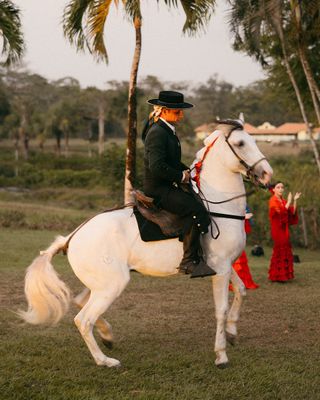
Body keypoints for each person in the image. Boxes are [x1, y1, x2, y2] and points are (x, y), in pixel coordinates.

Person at [142, 90, 215, 278]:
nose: (181, 114)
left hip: (167, 185)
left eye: (181, 111)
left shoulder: (168, 130)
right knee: (195, 209)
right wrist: (180, 177)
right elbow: (157, 166)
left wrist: (188, 171)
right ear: (164, 110)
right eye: (177, 111)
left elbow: (171, 162)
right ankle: (189, 261)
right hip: (158, 189)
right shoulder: (158, 132)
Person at [268, 181, 301, 282]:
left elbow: (292, 212)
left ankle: (283, 275)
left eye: (282, 187)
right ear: (273, 189)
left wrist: (294, 201)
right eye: (278, 187)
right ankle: (277, 276)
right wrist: (288, 202)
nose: (281, 189)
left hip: (284, 229)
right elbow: (281, 212)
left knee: (285, 250)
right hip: (277, 229)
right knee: (280, 250)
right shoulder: (273, 200)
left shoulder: (282, 200)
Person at [230, 208, 259, 291]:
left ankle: (242, 281)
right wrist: (243, 217)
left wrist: (245, 217)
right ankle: (237, 281)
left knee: (241, 257)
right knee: (238, 258)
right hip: (234, 234)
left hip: (239, 232)